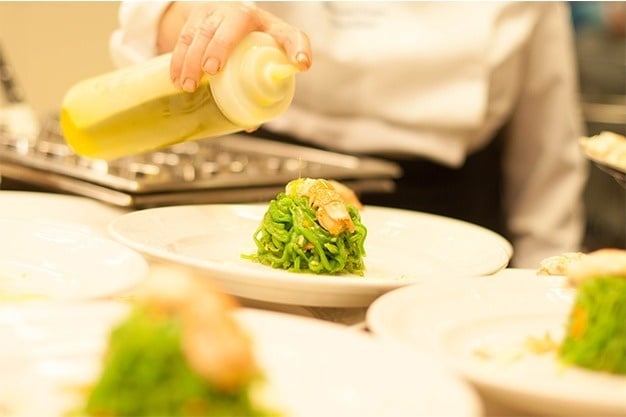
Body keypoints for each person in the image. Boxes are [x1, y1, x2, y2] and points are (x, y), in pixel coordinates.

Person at [109, 1, 588, 268]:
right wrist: (205, 20)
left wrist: (543, 280)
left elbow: (548, 158)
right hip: (250, 188)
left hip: (446, 223)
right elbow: (155, 19)